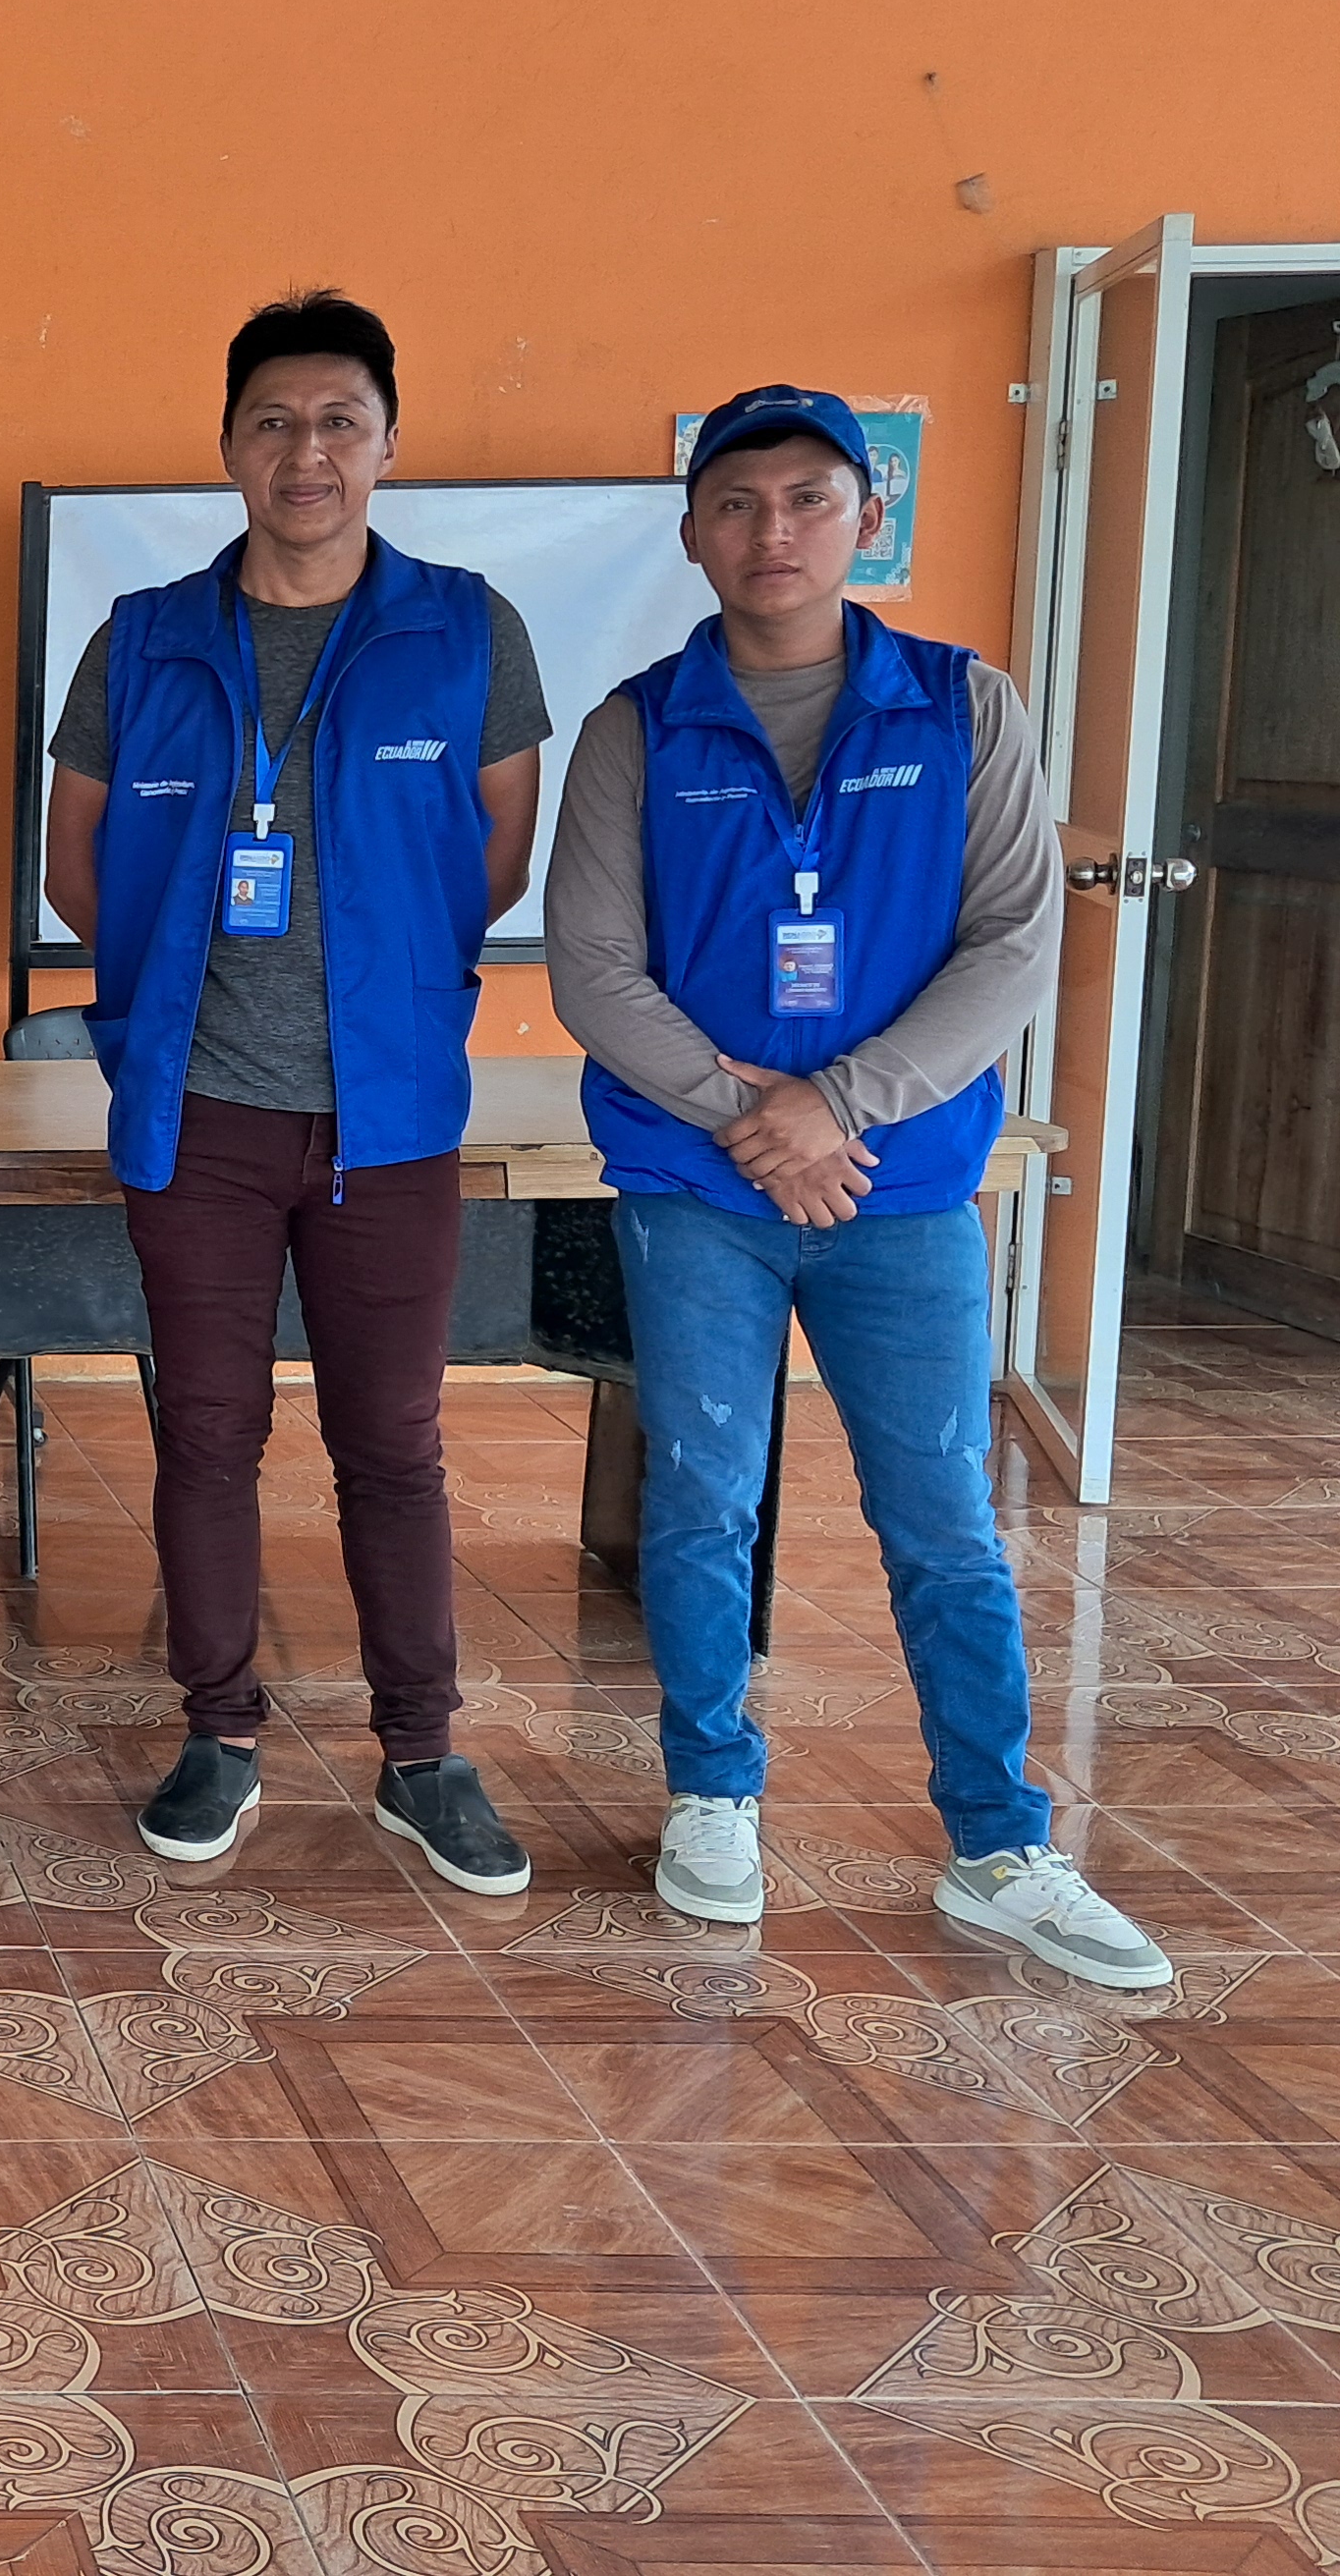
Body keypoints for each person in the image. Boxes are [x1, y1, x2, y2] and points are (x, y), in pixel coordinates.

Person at [549, 385, 1166, 1988]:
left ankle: (1001, 1844)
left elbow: (1013, 945)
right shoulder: (634, 728)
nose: (774, 531)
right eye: (737, 503)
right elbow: (595, 969)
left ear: (867, 519)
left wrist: (836, 1107)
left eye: (809, 499)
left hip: (900, 1190)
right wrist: (755, 1118)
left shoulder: (964, 707)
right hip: (698, 1190)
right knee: (702, 1499)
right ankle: (712, 1797)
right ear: (693, 534)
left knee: (944, 1518)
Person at [42, 293, 550, 1893]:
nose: (306, 451)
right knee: (204, 1437)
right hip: (198, 1113)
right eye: (273, 421)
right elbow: (75, 866)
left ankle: (423, 1753)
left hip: (387, 1118)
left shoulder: (465, 629)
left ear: (387, 446)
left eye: (340, 421)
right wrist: (173, 993)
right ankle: (219, 1733)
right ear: (228, 447)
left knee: (392, 1441)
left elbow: (497, 855)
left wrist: (383, 986)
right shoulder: (142, 639)